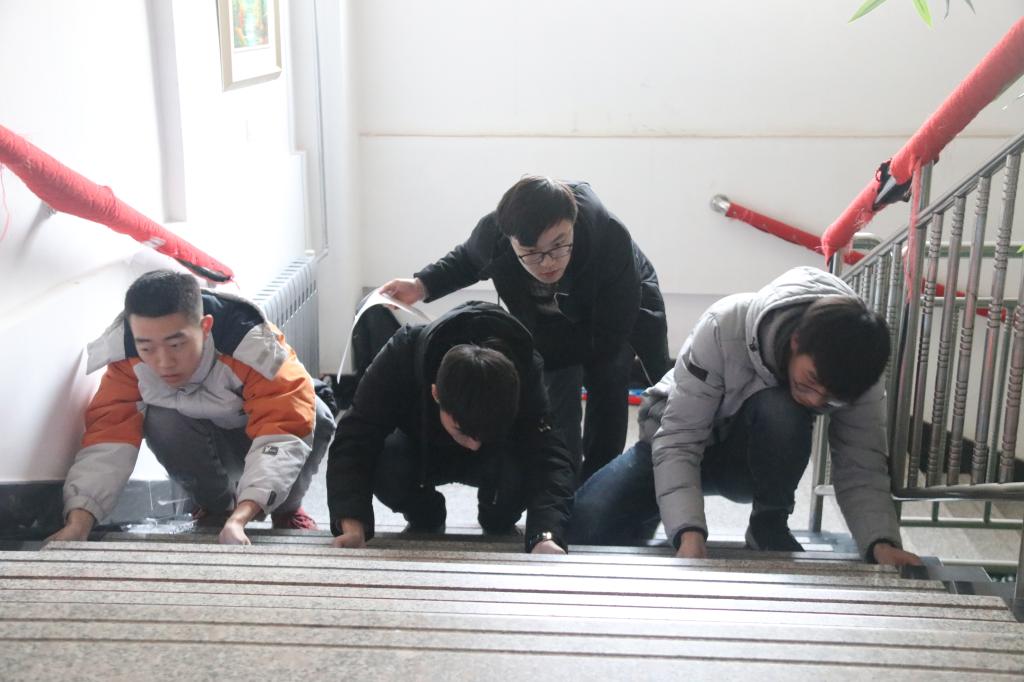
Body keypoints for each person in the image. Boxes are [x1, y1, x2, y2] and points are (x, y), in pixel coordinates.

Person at [568, 266, 922, 567]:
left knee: (782, 408)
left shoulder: (859, 372)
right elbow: (679, 440)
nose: (816, 399)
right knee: (584, 528)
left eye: (831, 399)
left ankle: (769, 525)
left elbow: (862, 465)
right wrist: (688, 533)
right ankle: (655, 514)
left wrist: (881, 543)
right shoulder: (725, 324)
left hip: (748, 466)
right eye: (811, 382)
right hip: (676, 442)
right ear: (797, 340)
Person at [380, 176, 670, 483]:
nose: (547, 263)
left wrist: (535, 357)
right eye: (531, 252)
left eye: (558, 245)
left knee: (609, 377)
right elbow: (466, 260)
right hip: (548, 321)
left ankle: (599, 481)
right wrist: (420, 285)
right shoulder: (494, 233)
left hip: (610, 313)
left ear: (572, 223)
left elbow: (611, 334)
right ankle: (562, 480)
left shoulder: (609, 237)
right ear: (510, 240)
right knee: (556, 391)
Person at [48, 270, 335, 545]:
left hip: (255, 437)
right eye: (147, 348)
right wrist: (79, 523)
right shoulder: (126, 361)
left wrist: (242, 518)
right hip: (206, 445)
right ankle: (215, 509)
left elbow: (284, 430)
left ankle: (287, 511)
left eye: (176, 345)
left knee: (315, 415)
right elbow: (108, 440)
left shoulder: (254, 347)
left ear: (205, 327)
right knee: (160, 418)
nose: (163, 362)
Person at [326, 301, 575, 554]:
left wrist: (546, 535)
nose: (474, 445)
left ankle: (497, 517)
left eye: (484, 434)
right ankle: (426, 515)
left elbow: (549, 456)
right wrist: (352, 525)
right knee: (387, 464)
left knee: (518, 478)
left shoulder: (526, 367)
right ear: (435, 393)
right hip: (418, 450)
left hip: (497, 456)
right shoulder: (401, 355)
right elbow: (355, 436)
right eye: (463, 432)